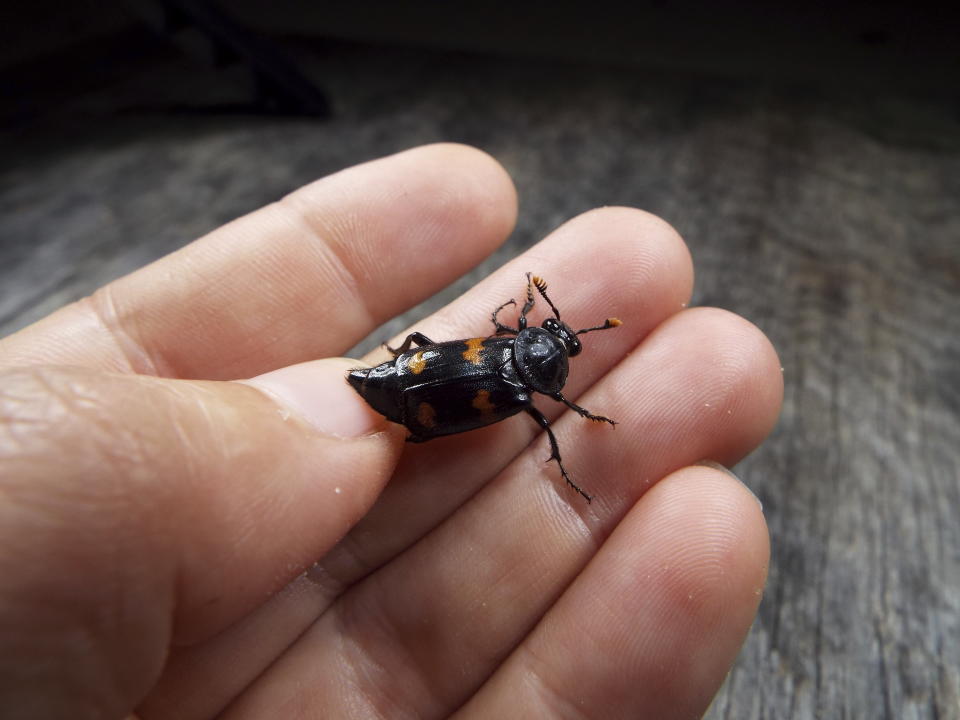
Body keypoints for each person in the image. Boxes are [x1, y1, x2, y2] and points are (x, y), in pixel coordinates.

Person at [0, 143, 782, 719]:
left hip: (420, 395)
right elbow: (534, 376)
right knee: (505, 404)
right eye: (562, 337)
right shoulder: (522, 378)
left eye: (560, 340)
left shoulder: (515, 367)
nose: (559, 340)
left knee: (486, 393)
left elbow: (521, 360)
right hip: (410, 401)